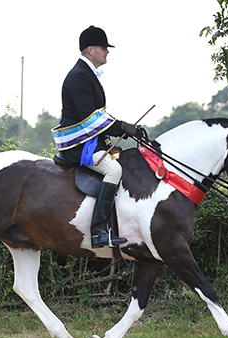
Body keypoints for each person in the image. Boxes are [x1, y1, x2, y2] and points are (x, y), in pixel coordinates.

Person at [51, 25, 146, 249]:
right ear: (91, 50)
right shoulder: (79, 77)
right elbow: (90, 119)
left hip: (92, 141)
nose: (107, 52)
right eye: (104, 48)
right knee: (114, 170)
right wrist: (123, 126)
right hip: (79, 146)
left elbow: (98, 117)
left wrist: (126, 128)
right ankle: (98, 231)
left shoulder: (87, 74)